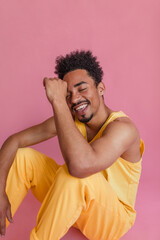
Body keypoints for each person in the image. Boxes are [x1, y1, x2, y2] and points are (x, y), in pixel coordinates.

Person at [0, 50, 144, 240]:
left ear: (100, 88)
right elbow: (14, 141)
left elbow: (81, 167)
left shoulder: (123, 129)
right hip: (76, 206)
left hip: (112, 221)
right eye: (68, 94)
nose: (75, 99)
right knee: (22, 157)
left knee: (75, 175)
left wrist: (58, 100)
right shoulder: (74, 119)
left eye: (82, 88)